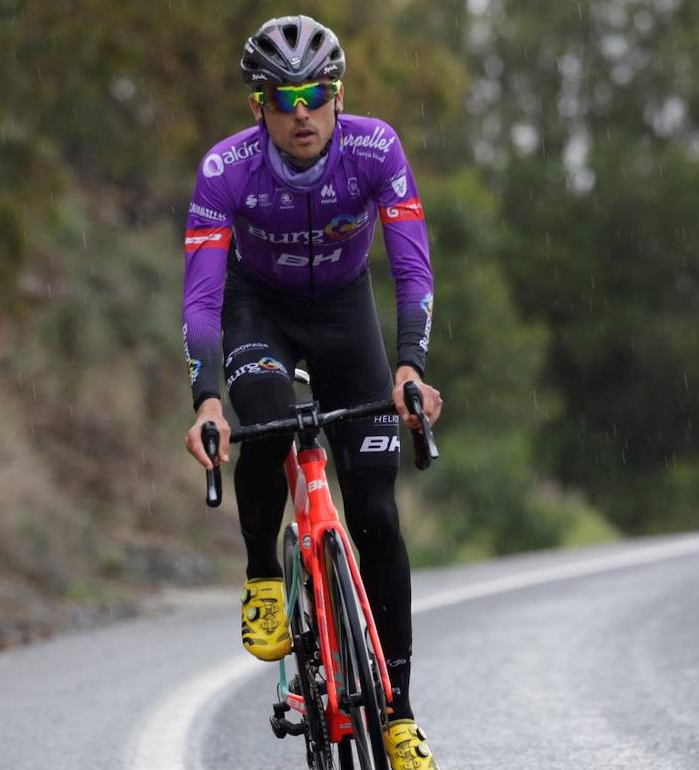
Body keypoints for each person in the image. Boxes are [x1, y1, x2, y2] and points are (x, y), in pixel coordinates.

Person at [180, 15, 443, 769]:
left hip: (342, 310)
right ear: (257, 105)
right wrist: (205, 399)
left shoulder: (375, 149)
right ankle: (264, 571)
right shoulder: (225, 170)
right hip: (255, 308)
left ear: (338, 95)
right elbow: (200, 300)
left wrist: (412, 367)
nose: (303, 110)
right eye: (283, 95)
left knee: (375, 513)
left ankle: (397, 715)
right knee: (263, 426)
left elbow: (413, 267)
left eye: (317, 93)